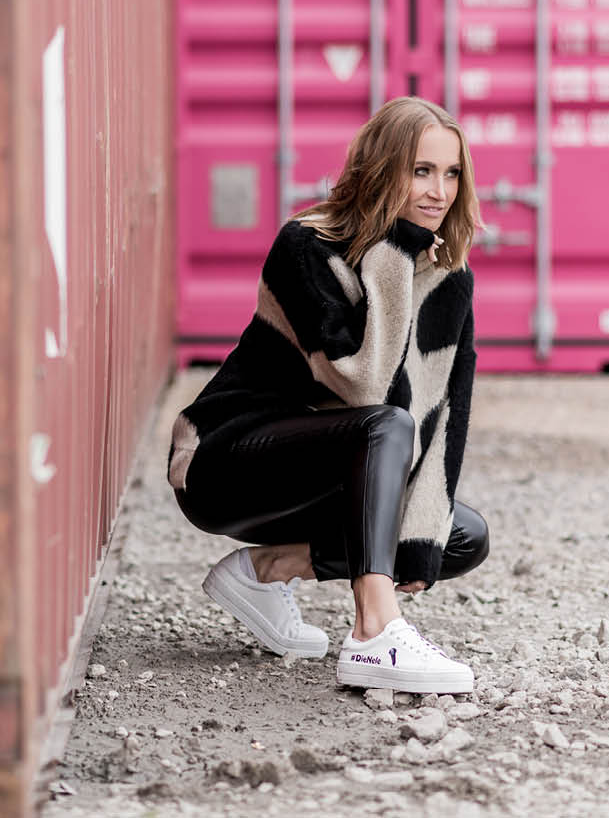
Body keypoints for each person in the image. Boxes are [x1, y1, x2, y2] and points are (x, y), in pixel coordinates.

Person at [167, 96, 490, 694]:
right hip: (225, 460)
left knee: (457, 536)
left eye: (451, 174)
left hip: (326, 469)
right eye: (420, 171)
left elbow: (447, 416)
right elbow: (361, 383)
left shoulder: (449, 277)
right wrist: (393, 253)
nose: (438, 192)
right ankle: (375, 632)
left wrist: (416, 538)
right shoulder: (306, 246)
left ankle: (269, 568)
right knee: (385, 424)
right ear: (381, 167)